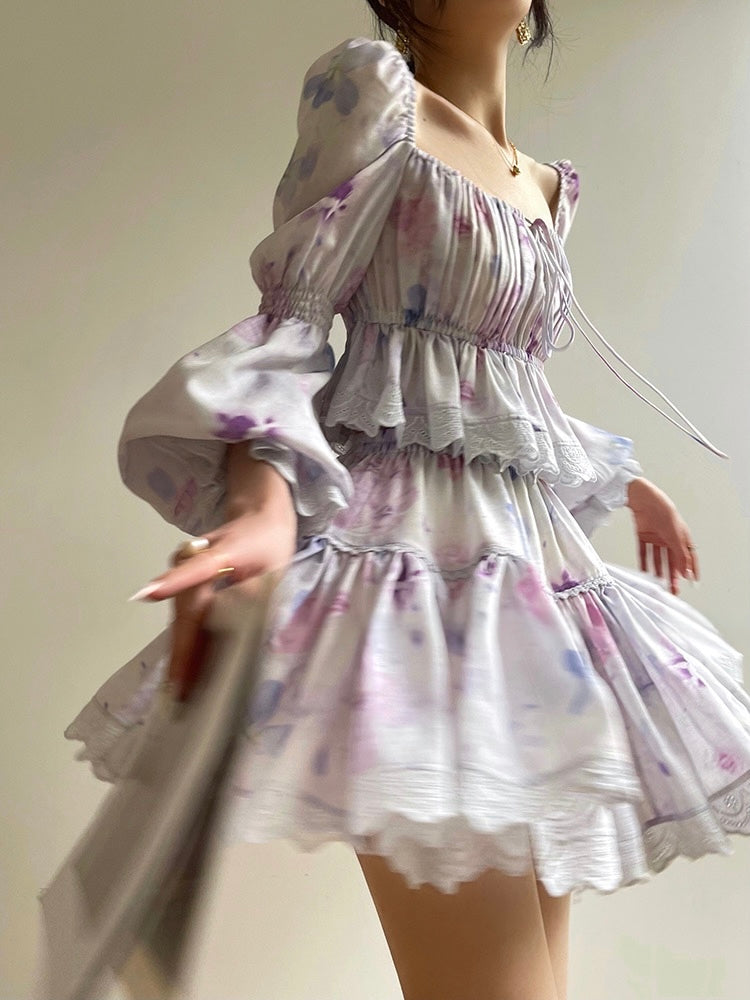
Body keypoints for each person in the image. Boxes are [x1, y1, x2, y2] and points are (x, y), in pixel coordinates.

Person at [61, 4, 749, 1000]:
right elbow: (295, 318)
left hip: (531, 593)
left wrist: (623, 477)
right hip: (409, 577)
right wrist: (262, 503)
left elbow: (502, 391)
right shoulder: (376, 98)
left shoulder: (544, 187)